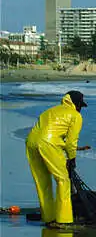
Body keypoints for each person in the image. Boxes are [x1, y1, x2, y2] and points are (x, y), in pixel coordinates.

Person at [25, 91, 88, 227]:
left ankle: (48, 216)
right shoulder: (75, 116)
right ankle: (64, 220)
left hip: (31, 142)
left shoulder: (49, 111)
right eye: (80, 106)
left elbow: (47, 132)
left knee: (42, 181)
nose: (80, 109)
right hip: (48, 143)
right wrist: (72, 159)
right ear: (76, 104)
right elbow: (71, 142)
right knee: (63, 180)